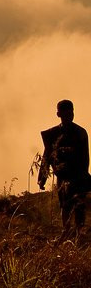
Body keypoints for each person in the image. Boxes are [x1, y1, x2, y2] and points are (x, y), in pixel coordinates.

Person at [38, 99, 91, 238]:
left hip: (78, 176)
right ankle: (66, 232)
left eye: (71, 112)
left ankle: (79, 234)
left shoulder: (80, 132)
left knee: (79, 206)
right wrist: (42, 178)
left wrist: (84, 177)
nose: (69, 115)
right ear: (58, 114)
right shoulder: (53, 134)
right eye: (66, 113)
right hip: (63, 177)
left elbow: (86, 158)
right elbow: (47, 155)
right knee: (64, 205)